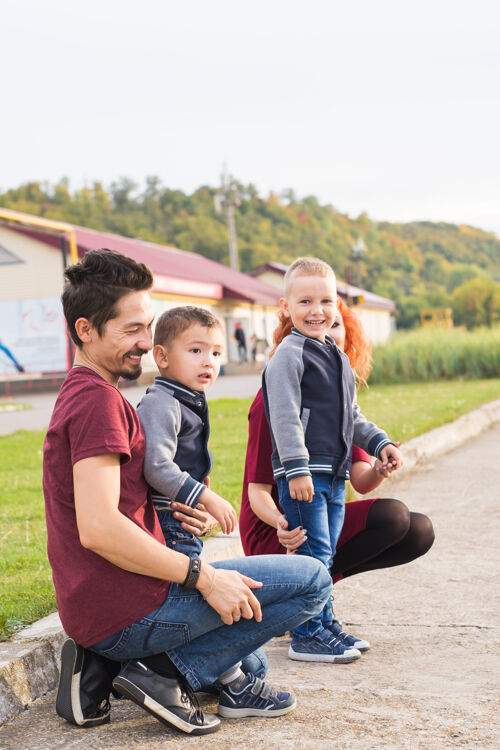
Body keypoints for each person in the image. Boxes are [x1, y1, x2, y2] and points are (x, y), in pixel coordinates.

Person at [43, 249, 333, 735]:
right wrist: (203, 577)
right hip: (128, 606)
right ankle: (153, 673)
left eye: (147, 326)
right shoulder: (97, 403)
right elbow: (97, 528)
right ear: (85, 330)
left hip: (111, 599)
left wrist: (176, 516)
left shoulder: (91, 391)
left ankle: (101, 666)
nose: (145, 342)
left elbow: (119, 504)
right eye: (130, 330)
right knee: (311, 581)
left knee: (252, 665)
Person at [240, 297, 434, 653]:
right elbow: (257, 493)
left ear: (348, 334)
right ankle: (302, 617)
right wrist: (282, 525)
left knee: (417, 529)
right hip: (278, 527)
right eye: (319, 323)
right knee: (390, 518)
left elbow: (360, 481)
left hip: (320, 511)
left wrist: (379, 459)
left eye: (335, 324)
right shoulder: (276, 397)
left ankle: (317, 613)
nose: (327, 330)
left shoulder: (338, 400)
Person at [262, 257, 403, 663]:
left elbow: (351, 417)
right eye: (304, 301)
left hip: (335, 475)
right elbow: (285, 416)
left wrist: (379, 444)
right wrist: (296, 469)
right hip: (305, 476)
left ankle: (323, 623)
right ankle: (305, 634)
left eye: (326, 301)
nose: (317, 310)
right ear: (286, 307)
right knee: (314, 556)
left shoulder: (336, 357)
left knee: (326, 555)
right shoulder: (289, 355)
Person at [136, 305, 253, 692]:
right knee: (198, 595)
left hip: (182, 519)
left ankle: (192, 669)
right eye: (196, 351)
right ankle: (223, 677)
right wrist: (206, 496)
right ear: (162, 356)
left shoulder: (187, 398)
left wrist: (199, 509)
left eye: (216, 353)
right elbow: (156, 466)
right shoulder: (161, 403)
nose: (210, 361)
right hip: (167, 523)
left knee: (258, 658)